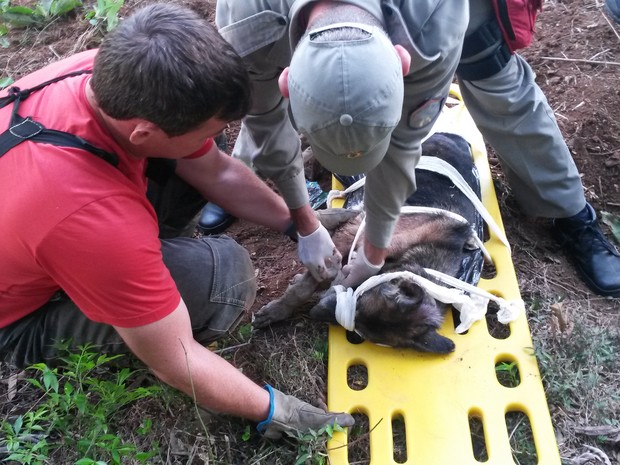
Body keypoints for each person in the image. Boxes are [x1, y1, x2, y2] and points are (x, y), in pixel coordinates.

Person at [0, 3, 353, 440]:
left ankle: (134, 266)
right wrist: (275, 409)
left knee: (189, 162)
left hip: (42, 226)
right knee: (224, 279)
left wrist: (299, 224)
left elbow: (217, 171)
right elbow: (175, 358)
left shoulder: (111, 76)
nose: (213, 143)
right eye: (205, 134)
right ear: (143, 133)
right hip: (21, 317)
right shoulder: (91, 220)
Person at [215, 0, 620, 297]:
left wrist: (375, 245)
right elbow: (265, 116)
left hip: (421, 17)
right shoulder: (247, 22)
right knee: (259, 106)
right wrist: (304, 222)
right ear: (287, 79)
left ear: (402, 60)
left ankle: (569, 212)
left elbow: (406, 141)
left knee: (492, 73)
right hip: (282, 32)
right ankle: (230, 178)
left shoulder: (437, 17)